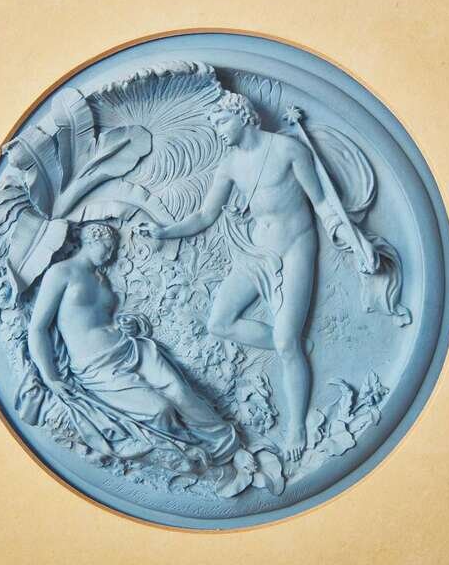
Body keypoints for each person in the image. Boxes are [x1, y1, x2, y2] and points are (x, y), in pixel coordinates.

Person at [137, 93, 376, 461]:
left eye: (221, 121)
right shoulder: (230, 165)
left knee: (285, 342)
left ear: (243, 116)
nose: (218, 130)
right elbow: (204, 216)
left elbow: (320, 201)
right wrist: (164, 232)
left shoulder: (288, 150)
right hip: (257, 251)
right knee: (220, 323)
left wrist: (347, 236)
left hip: (295, 249)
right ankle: (292, 346)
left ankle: (296, 424)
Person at [19, 221, 257, 480]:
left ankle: (230, 447)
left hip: (131, 349)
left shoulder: (101, 279)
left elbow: (103, 320)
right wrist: (50, 377)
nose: (110, 255)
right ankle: (200, 456)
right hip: (97, 367)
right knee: (159, 410)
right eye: (108, 247)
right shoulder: (61, 273)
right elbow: (38, 328)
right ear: (93, 239)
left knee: (182, 393)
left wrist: (128, 324)